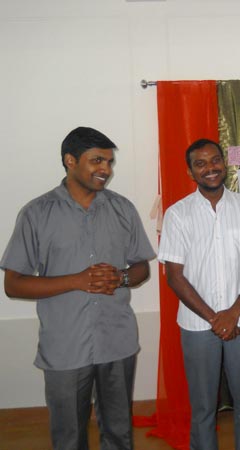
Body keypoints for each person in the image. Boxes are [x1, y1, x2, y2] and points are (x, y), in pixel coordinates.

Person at [1, 127, 155, 450]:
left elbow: (142, 267)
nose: (106, 169)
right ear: (70, 161)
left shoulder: (122, 209)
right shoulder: (36, 213)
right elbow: (13, 284)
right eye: (97, 160)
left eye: (109, 162)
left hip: (117, 342)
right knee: (69, 438)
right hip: (65, 347)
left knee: (119, 434)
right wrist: (77, 280)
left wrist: (122, 278)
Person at [158, 138, 240, 450]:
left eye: (215, 160)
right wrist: (214, 318)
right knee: (203, 407)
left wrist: (234, 311)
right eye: (200, 163)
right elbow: (174, 277)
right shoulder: (178, 214)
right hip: (197, 325)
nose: (210, 168)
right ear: (190, 171)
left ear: (224, 163)